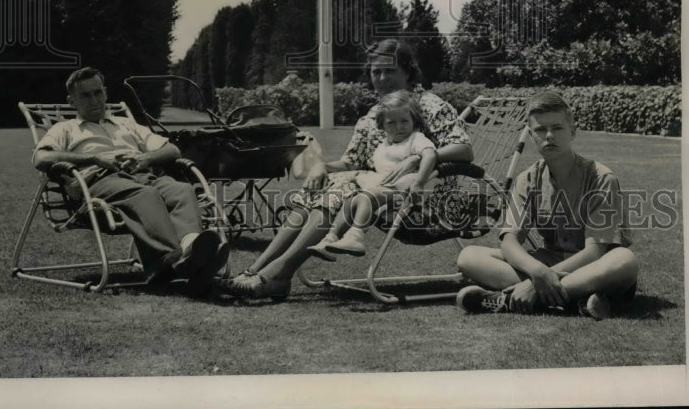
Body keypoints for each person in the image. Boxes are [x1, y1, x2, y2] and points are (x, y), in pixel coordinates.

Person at [219, 38, 472, 300]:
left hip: (425, 197)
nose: (382, 78)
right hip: (380, 191)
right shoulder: (374, 115)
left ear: (407, 71)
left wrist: (418, 159)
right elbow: (352, 162)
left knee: (339, 190)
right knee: (320, 190)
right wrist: (320, 166)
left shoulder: (430, 105)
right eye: (376, 72)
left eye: (390, 70)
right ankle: (255, 270)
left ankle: (279, 273)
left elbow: (464, 150)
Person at [33, 66, 227, 289]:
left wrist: (145, 159)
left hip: (143, 174)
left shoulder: (126, 124)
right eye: (85, 96)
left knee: (182, 190)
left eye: (98, 93)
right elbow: (41, 158)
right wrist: (94, 159)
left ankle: (190, 247)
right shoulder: (65, 128)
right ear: (71, 101)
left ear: (105, 93)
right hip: (102, 182)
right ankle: (168, 258)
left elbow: (172, 150)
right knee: (146, 194)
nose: (94, 100)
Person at [456, 90, 639, 320]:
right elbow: (509, 241)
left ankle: (510, 300)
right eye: (541, 130)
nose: (549, 135)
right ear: (531, 135)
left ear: (572, 132)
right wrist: (537, 272)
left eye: (557, 128)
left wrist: (537, 283)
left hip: (593, 266)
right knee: (469, 257)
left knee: (625, 260)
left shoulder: (600, 177)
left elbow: (595, 251)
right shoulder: (528, 178)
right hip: (549, 261)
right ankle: (579, 300)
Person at [306, 89, 438, 259]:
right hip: (387, 188)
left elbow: (430, 154)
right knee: (351, 200)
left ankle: (356, 236)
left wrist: (419, 182)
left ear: (414, 121)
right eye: (391, 123)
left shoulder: (415, 139)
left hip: (407, 190)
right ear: (382, 126)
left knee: (364, 198)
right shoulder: (386, 144)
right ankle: (330, 239)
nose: (399, 127)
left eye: (405, 121)